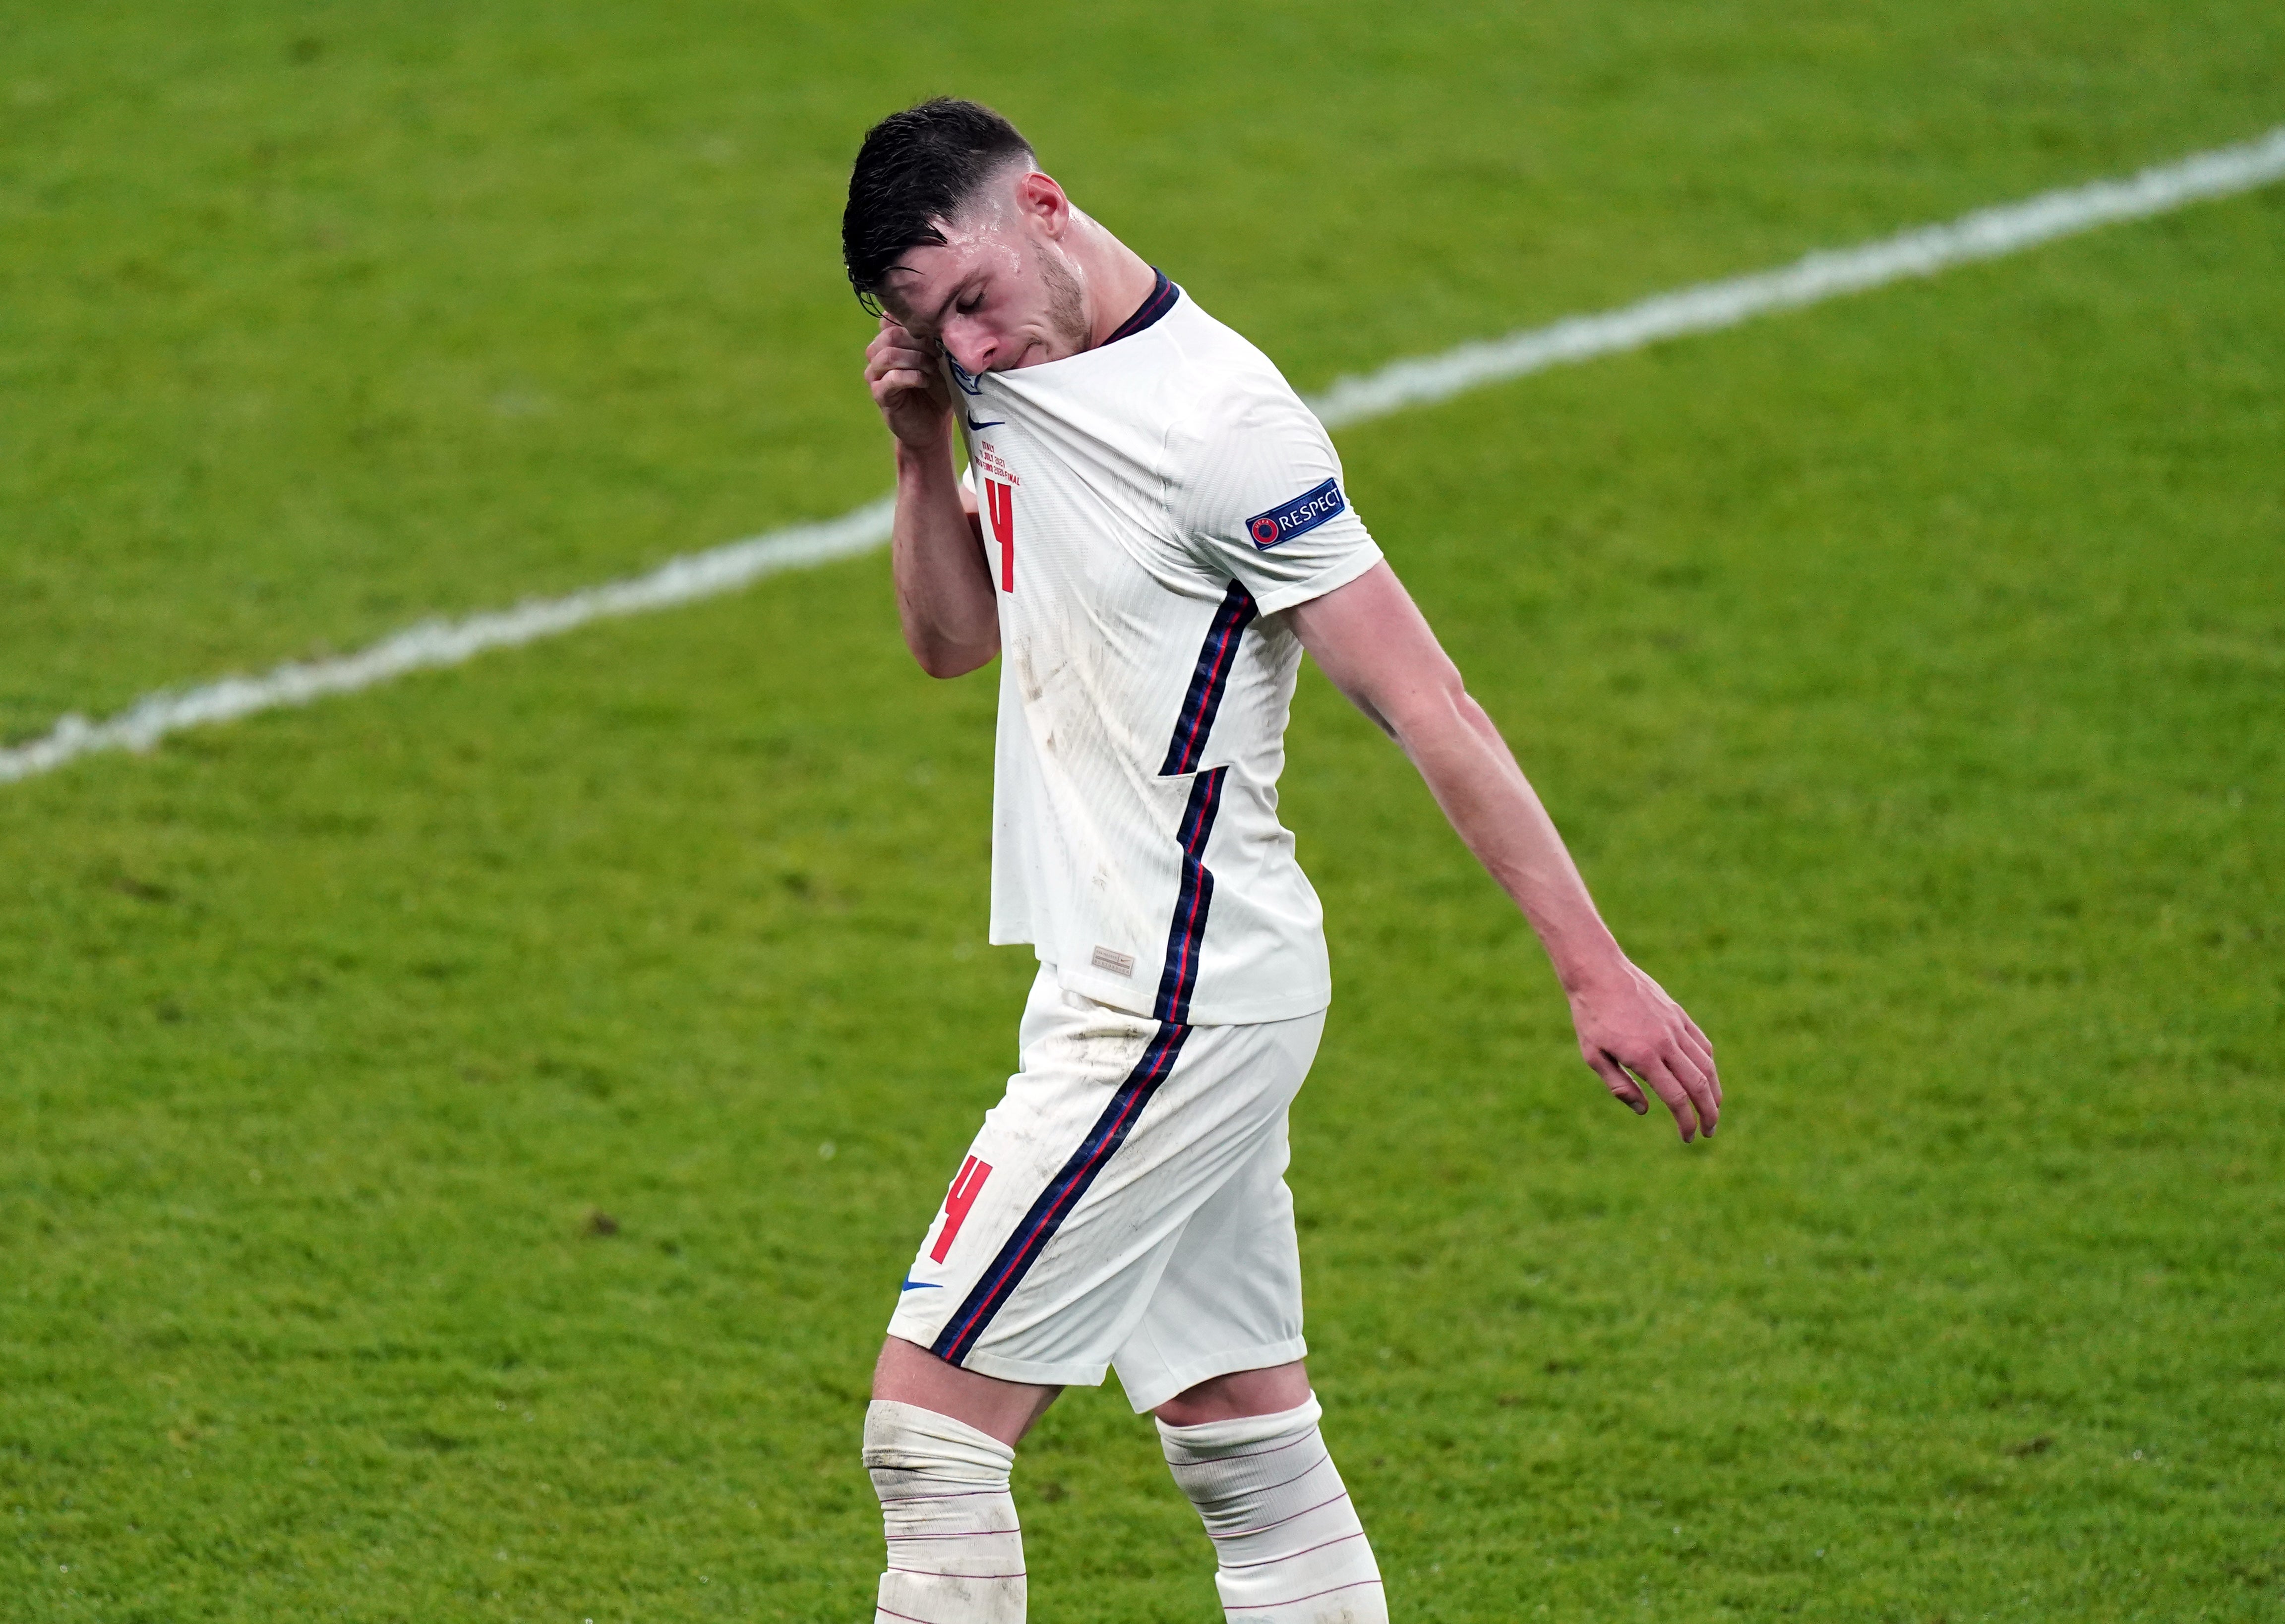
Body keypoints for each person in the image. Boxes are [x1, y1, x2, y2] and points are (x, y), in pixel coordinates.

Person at [841, 98, 1720, 1624]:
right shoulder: (997, 384)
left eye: (974, 304)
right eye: (935, 329)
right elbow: (948, 643)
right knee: (1243, 1447)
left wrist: (1596, 968)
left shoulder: (1226, 432)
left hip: (1176, 999)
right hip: (1133, 981)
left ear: (1045, 206)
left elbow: (1429, 702)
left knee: (929, 1438)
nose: (971, 349)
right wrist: (923, 446)